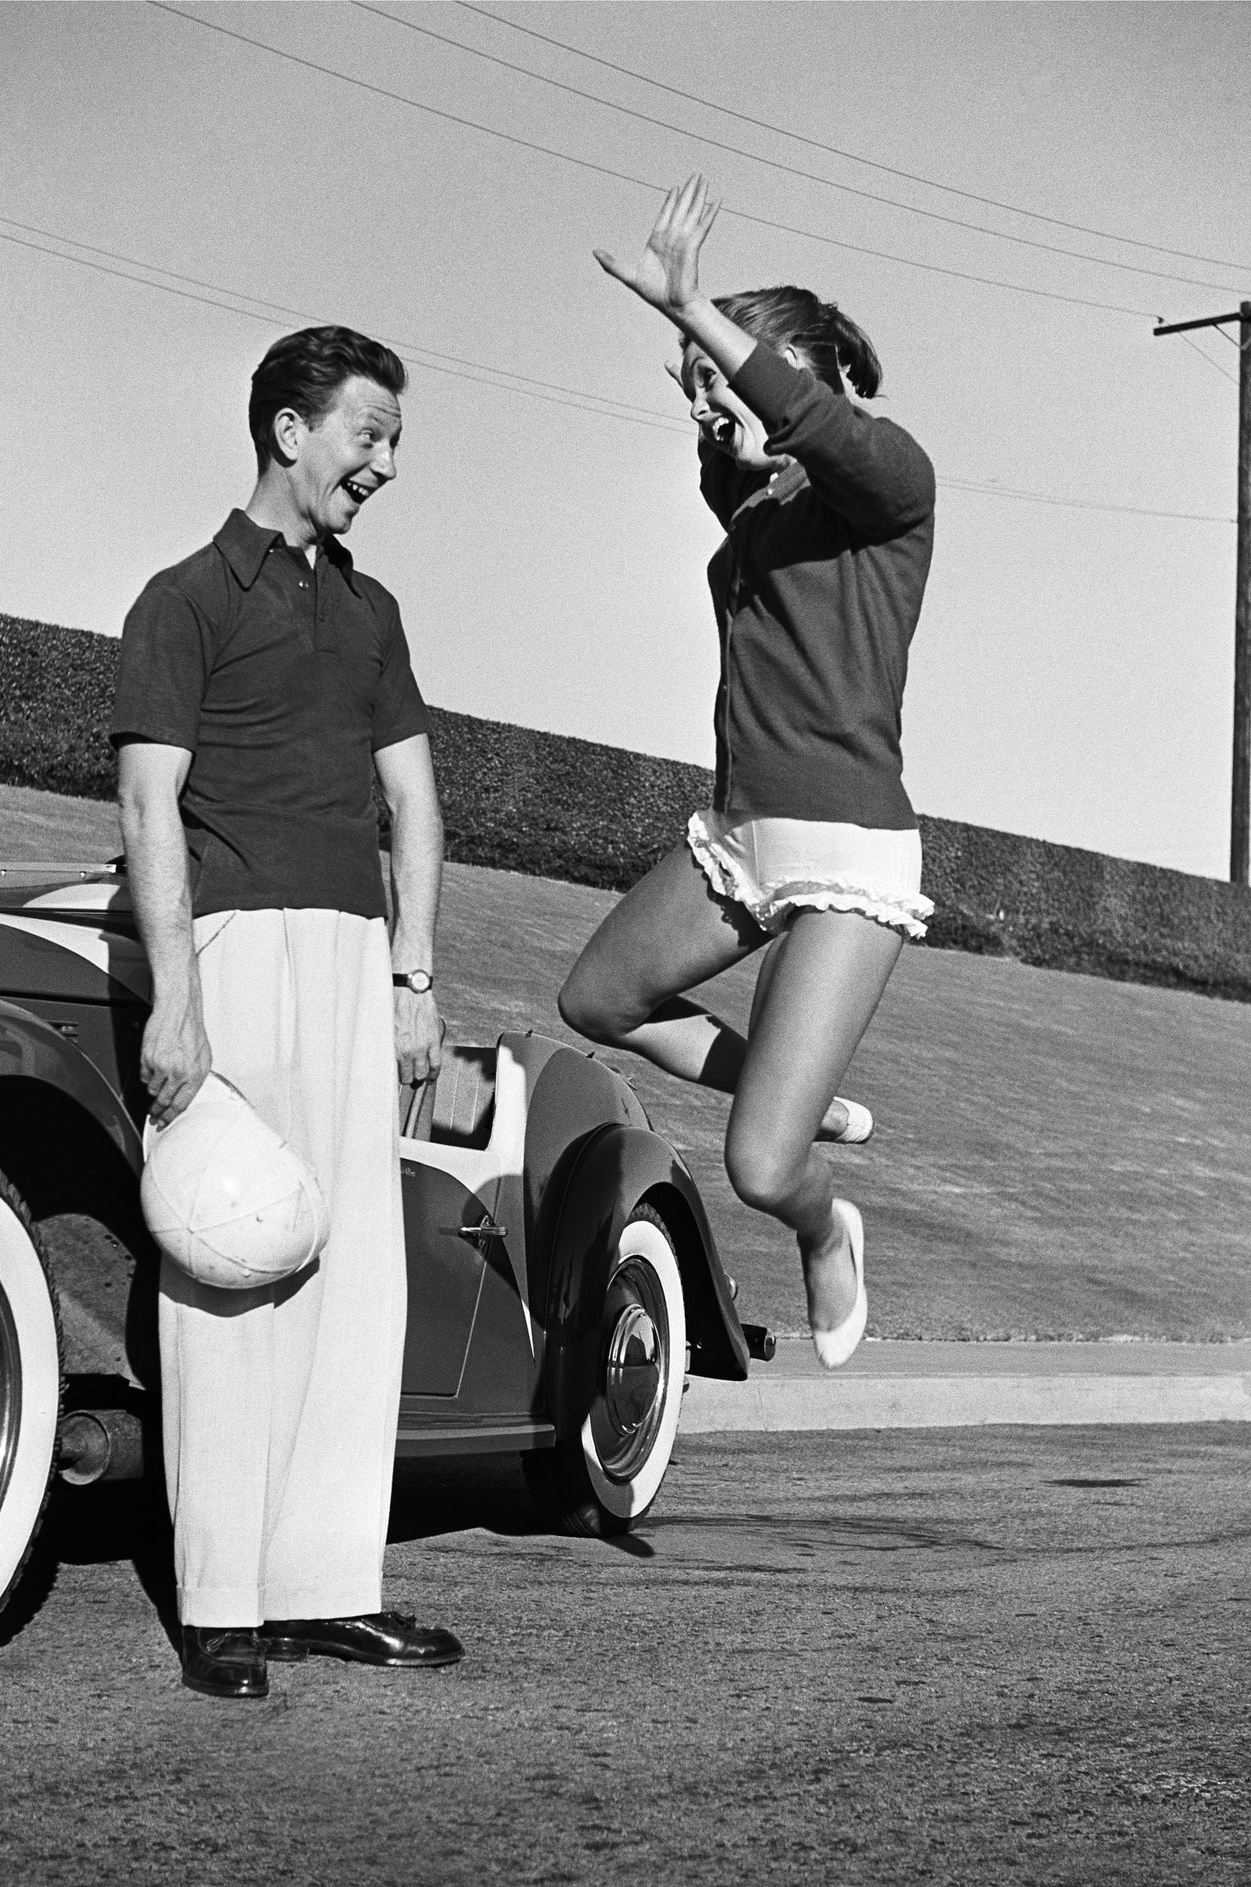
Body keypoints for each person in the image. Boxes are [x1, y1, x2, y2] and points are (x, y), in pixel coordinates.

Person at [113, 324, 462, 1698]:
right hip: (231, 949)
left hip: (354, 963)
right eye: (366, 435)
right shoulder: (181, 599)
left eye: (390, 442)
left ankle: (327, 1585)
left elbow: (416, 805)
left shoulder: (369, 613)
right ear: (288, 430)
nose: (381, 465)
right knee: (229, 1265)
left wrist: (415, 977)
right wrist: (175, 1007)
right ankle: (219, 1604)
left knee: (353, 1272)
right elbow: (149, 805)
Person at [559, 176, 935, 1371]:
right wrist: (698, 375)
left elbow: (811, 425)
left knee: (759, 1168)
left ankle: (828, 1224)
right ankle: (794, 1086)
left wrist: (699, 320)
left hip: (844, 857)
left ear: (808, 378)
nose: (715, 411)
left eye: (731, 385)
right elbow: (744, 448)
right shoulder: (757, 504)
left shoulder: (888, 488)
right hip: (738, 835)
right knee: (598, 1003)